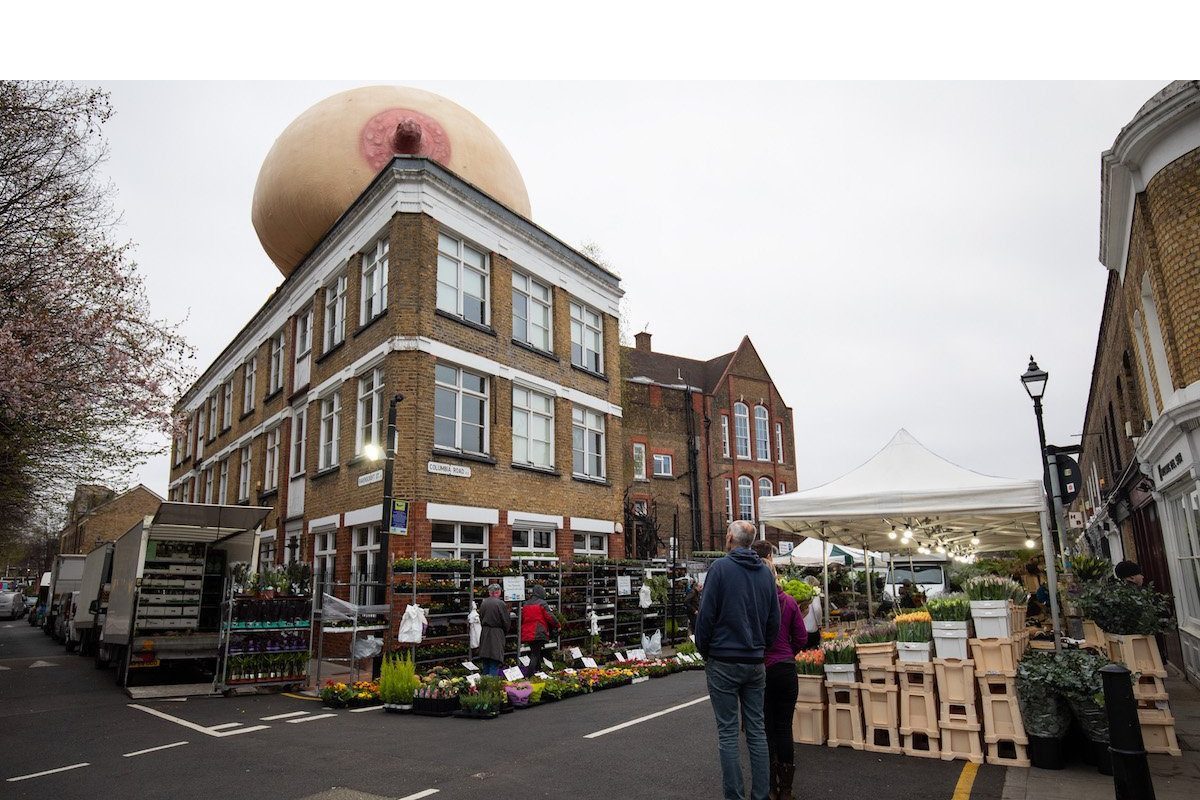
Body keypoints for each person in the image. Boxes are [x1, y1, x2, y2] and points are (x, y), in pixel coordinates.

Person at [695, 521, 780, 800]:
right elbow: (773, 621)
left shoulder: (720, 569)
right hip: (755, 661)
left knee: (729, 732)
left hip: (723, 659)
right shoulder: (766, 574)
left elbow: (705, 617)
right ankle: (761, 795)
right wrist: (761, 648)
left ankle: (735, 796)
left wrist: (704, 649)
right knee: (757, 730)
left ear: (730, 536)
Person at [751, 541, 806, 800]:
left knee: (765, 729)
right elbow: (802, 637)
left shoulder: (755, 605)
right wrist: (788, 653)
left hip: (761, 670)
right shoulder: (790, 602)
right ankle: (786, 789)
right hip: (785, 670)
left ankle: (770, 786)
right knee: (784, 727)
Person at [520, 584, 559, 676]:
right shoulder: (542, 603)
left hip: (527, 632)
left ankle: (537, 672)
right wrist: (557, 624)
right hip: (538, 631)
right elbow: (550, 617)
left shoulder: (526, 604)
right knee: (535, 654)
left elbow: (523, 618)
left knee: (535, 651)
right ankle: (529, 675)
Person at [477, 583, 510, 676]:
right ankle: (491, 685)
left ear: (489, 592)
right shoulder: (500, 603)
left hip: (485, 632)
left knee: (486, 661)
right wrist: (504, 632)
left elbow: (481, 617)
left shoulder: (483, 602)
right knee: (494, 661)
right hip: (496, 633)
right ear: (498, 592)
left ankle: (484, 683)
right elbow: (506, 621)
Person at [801, 575, 823, 646]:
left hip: (801, 628)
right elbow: (817, 609)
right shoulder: (814, 594)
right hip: (812, 628)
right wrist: (819, 623)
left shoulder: (801, 593)